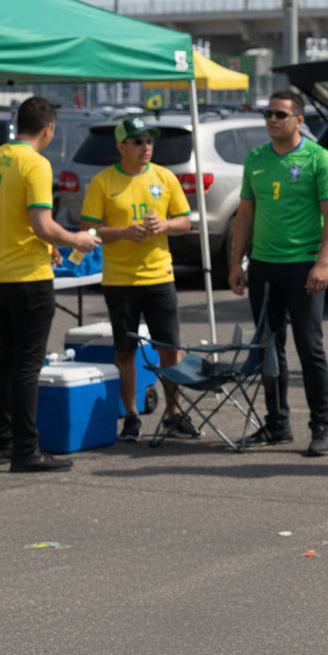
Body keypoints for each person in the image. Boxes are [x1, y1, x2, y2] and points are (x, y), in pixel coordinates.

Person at [0, 97, 99, 472]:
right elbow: (42, 224)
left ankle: (2, 441)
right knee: (28, 365)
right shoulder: (36, 164)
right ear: (48, 128)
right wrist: (77, 240)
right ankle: (25, 450)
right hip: (29, 276)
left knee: (8, 358)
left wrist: (46, 247)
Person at [229, 90, 328, 457]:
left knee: (310, 347)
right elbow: (245, 213)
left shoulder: (318, 158)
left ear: (298, 120)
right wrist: (236, 261)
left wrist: (323, 263)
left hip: (303, 266)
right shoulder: (256, 158)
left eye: (280, 114)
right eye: (268, 114)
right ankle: (277, 423)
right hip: (264, 266)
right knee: (268, 348)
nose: (272, 120)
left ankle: (321, 425)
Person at [80, 116, 195, 442]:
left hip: (159, 276)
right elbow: (88, 230)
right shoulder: (103, 182)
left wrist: (165, 225)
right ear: (121, 147)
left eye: (149, 141)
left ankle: (174, 413)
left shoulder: (164, 176)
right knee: (124, 352)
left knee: (169, 349)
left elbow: (185, 221)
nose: (146, 147)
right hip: (120, 280)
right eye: (138, 142)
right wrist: (123, 232)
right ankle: (131, 415)